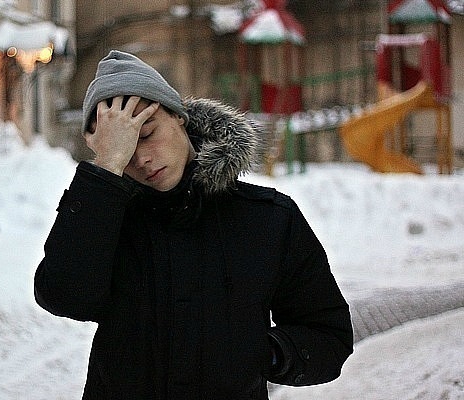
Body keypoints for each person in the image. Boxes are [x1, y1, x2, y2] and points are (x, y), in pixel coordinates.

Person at [34, 50, 353, 400]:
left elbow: (328, 335)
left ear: (178, 116)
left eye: (147, 134)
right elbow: (65, 297)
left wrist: (265, 352)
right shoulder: (104, 221)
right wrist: (105, 169)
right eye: (123, 148)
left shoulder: (268, 218)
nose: (141, 159)